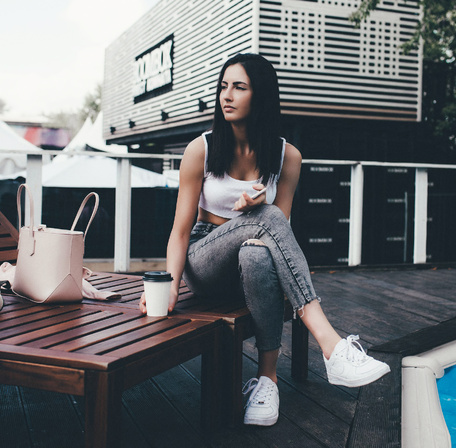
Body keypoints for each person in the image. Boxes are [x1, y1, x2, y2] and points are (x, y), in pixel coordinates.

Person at [139, 53, 389, 426]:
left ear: (262, 96)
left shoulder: (288, 157)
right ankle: (331, 345)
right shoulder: (200, 150)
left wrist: (256, 208)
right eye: (223, 86)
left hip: (252, 260)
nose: (227, 95)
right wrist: (170, 285)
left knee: (259, 250)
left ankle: (267, 381)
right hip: (205, 260)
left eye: (239, 87)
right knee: (266, 218)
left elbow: (277, 232)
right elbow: (180, 231)